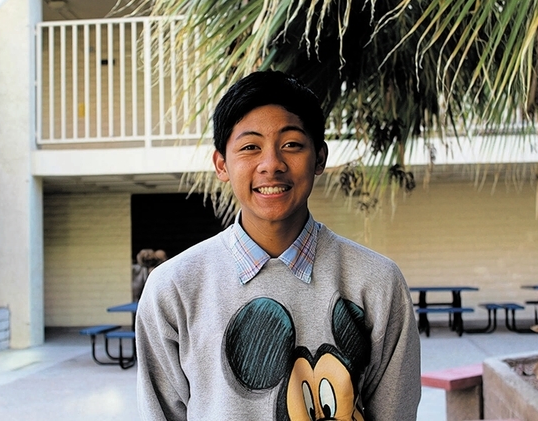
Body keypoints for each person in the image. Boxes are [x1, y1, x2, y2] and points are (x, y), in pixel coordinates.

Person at [136, 70, 421, 420]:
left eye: (291, 144)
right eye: (250, 147)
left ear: (319, 158)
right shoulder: (172, 289)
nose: (271, 164)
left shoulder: (377, 282)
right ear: (221, 164)